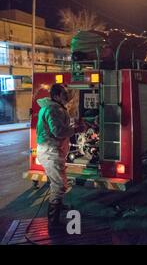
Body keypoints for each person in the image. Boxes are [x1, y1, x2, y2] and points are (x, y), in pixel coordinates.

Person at [36, 84, 84, 228]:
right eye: (64, 94)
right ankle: (53, 222)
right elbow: (58, 131)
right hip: (51, 152)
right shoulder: (54, 109)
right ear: (56, 96)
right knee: (60, 185)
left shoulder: (52, 107)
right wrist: (76, 129)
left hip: (51, 151)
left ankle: (58, 206)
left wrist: (72, 125)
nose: (67, 96)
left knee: (57, 183)